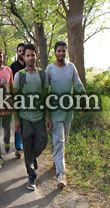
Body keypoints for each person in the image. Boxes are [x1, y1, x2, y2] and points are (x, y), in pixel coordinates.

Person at [46, 41, 85, 188]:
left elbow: (78, 84)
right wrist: (46, 115)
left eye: (63, 51)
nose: (61, 53)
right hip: (55, 112)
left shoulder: (71, 67)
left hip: (69, 111)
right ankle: (60, 174)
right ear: (55, 52)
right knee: (60, 140)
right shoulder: (49, 69)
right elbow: (44, 91)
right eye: (59, 51)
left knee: (65, 139)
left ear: (66, 52)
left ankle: (56, 160)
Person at [13, 44, 50, 191]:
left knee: (43, 141)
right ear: (24, 57)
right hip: (25, 118)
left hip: (39, 117)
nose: (30, 57)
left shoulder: (43, 74)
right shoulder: (19, 76)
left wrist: (47, 117)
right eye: (27, 55)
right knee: (27, 146)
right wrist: (16, 120)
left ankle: (31, 158)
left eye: (32, 55)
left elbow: (47, 97)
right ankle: (31, 176)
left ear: (36, 56)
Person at [10, 43, 26, 159]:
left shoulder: (30, 64)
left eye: (22, 51)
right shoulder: (13, 66)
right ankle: (19, 148)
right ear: (17, 52)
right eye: (19, 51)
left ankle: (28, 145)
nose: (21, 53)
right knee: (18, 124)